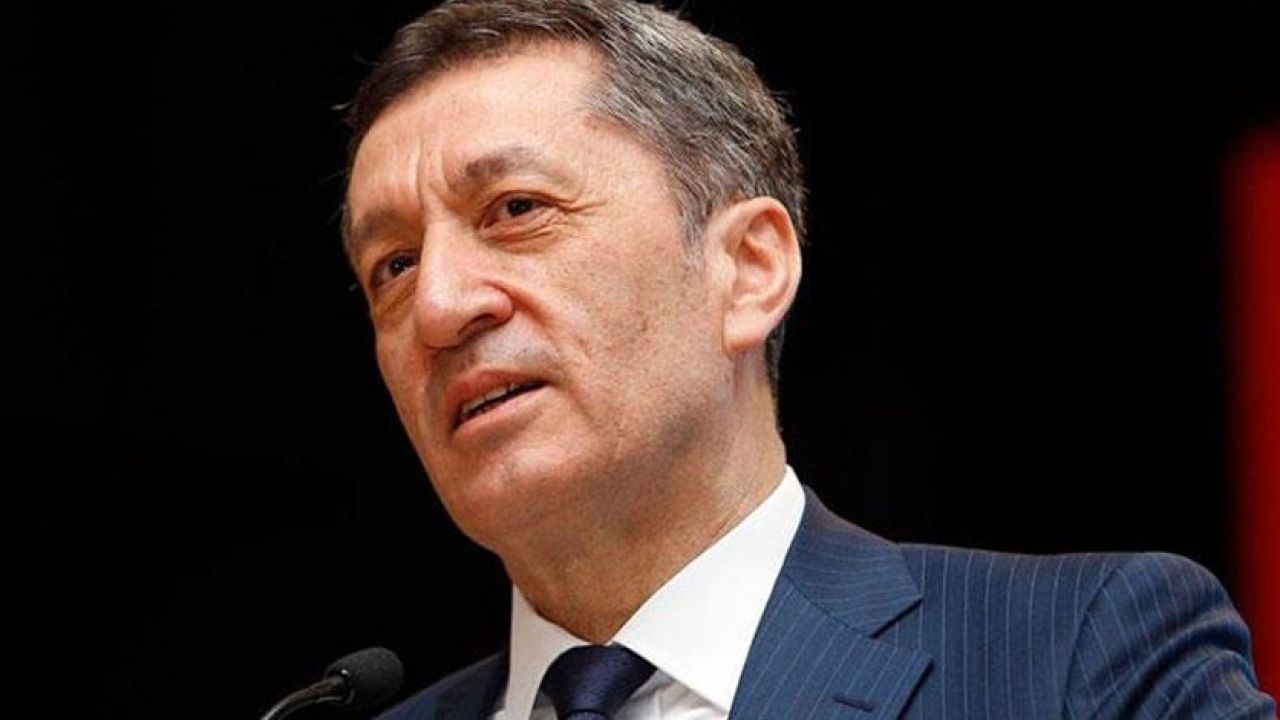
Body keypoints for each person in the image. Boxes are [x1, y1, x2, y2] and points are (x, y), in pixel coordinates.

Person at [339, 1, 1276, 718]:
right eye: (394, 265)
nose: (440, 307)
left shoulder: (1076, 660)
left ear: (749, 270)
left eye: (517, 210)